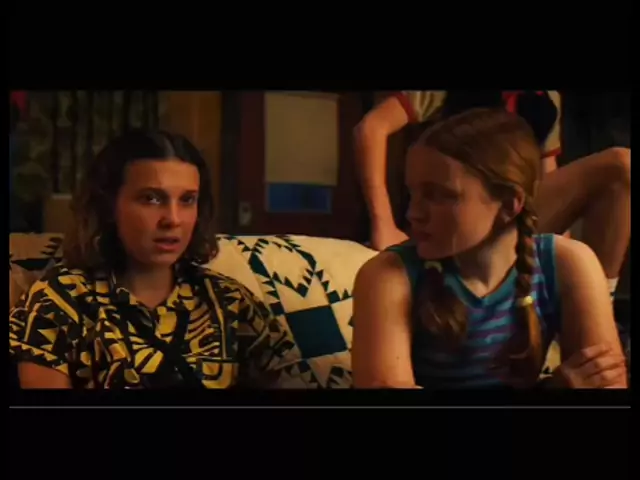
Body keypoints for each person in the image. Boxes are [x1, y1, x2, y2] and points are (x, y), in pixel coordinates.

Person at [351, 108, 628, 389]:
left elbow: (608, 384)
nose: (413, 213)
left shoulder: (566, 263)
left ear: (509, 205)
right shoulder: (390, 276)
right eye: (413, 193)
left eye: (439, 195)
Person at [9, 130, 286, 389]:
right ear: (109, 206)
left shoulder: (230, 301)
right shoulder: (60, 301)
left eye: (187, 200)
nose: (173, 219)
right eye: (151, 198)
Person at [353, 91, 631, 301]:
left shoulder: (545, 99)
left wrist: (562, 256)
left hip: (513, 213)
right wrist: (383, 223)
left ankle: (600, 305)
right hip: (460, 214)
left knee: (622, 166)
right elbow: (371, 128)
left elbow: (546, 176)